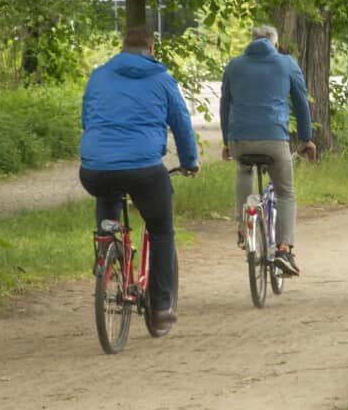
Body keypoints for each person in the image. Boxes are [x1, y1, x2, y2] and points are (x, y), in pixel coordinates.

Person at [79, 25, 198, 333]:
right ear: (151, 49)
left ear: (122, 47)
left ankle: (105, 245)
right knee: (160, 231)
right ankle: (160, 307)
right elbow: (182, 124)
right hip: (144, 168)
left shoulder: (99, 75)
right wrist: (189, 162)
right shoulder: (161, 78)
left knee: (107, 188)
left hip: (95, 168)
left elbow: (86, 118)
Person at [220, 25, 317, 276]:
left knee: (243, 170)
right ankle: (284, 249)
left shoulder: (234, 65)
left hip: (240, 139)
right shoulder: (286, 64)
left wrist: (226, 142)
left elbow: (225, 106)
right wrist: (306, 139)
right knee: (285, 192)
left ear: (251, 41)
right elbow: (301, 104)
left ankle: (243, 225)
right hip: (274, 139)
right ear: (275, 43)